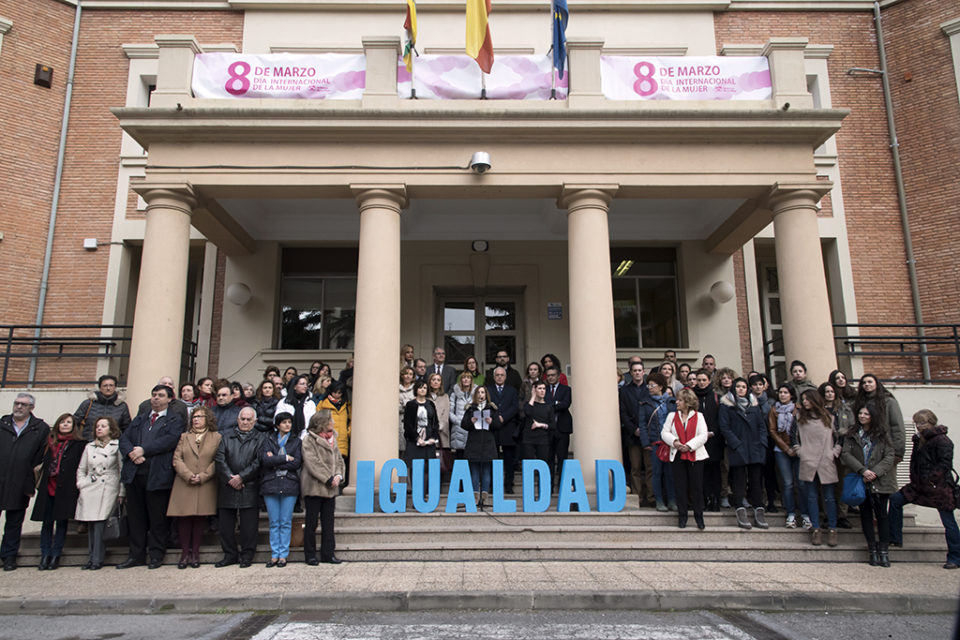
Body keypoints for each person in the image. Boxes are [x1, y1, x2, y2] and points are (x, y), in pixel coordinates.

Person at [117, 385, 185, 569]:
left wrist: (144, 450)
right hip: (135, 474)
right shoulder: (141, 418)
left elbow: (170, 440)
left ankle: (156, 554)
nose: (156, 398)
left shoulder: (174, 420)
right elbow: (124, 439)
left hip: (157, 475)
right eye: (154, 395)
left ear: (170, 399)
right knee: (136, 518)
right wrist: (131, 452)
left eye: (160, 395)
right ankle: (136, 555)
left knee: (157, 519)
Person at [889, 410, 960, 570]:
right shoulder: (920, 440)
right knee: (895, 500)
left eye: (922, 423)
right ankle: (895, 538)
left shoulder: (942, 440)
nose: (919, 426)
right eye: (917, 423)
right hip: (918, 486)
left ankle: (955, 556)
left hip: (939, 488)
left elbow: (944, 464)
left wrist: (931, 479)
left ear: (931, 422)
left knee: (948, 521)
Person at [0, 394, 50, 572]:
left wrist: (31, 483)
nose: (19, 407)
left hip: (21, 481)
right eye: (17, 403)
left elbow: (39, 458)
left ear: (31, 408)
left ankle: (8, 556)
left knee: (14, 522)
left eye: (23, 404)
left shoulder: (40, 428)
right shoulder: (2, 424)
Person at [842, 404, 896, 567]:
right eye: (860, 413)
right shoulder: (852, 434)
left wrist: (875, 472)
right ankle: (872, 550)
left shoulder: (883, 434)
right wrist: (863, 471)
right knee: (865, 515)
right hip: (861, 479)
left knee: (882, 516)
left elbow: (889, 455)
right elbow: (845, 454)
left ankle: (884, 551)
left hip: (880, 481)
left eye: (866, 413)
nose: (862, 416)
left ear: (873, 416)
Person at [167, 406, 221, 569]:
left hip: (205, 482)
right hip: (185, 482)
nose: (196, 419)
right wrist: (188, 474)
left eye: (199, 416)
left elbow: (218, 459)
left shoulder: (216, 437)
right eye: (194, 417)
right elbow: (177, 458)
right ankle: (185, 553)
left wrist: (203, 476)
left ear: (207, 418)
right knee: (184, 518)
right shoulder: (185, 436)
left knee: (199, 518)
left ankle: (195, 552)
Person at [31, 413, 85, 570]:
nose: (65, 424)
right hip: (47, 487)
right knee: (47, 523)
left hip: (66, 489)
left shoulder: (78, 444)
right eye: (63, 422)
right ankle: (45, 554)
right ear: (58, 424)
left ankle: (56, 554)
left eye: (69, 422)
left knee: (62, 523)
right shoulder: (49, 442)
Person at [214, 406, 263, 568]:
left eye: (249, 419)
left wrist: (242, 477)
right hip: (228, 486)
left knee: (249, 526)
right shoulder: (226, 437)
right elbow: (220, 459)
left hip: (249, 486)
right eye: (243, 419)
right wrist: (231, 478)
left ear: (255, 421)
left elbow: (259, 462)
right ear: (237, 420)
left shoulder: (261, 438)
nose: (245, 422)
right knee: (226, 526)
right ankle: (229, 555)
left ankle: (247, 555)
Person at [718, 377, 769, 530]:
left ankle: (758, 509)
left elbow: (761, 426)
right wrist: (736, 444)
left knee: (755, 480)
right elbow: (724, 427)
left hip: (755, 447)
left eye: (743, 387)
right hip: (738, 447)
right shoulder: (726, 405)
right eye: (738, 386)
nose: (741, 389)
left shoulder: (754, 405)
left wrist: (762, 443)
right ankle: (740, 508)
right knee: (739, 480)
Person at [793, 390, 842, 547]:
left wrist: (834, 452)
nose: (805, 402)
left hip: (826, 460)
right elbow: (793, 436)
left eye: (807, 399)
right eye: (803, 399)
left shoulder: (829, 417)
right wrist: (800, 451)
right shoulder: (799, 418)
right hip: (808, 459)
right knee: (812, 497)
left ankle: (833, 529)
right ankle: (816, 528)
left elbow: (839, 437)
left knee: (829, 497)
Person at [75, 416, 124, 570]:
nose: (100, 429)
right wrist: (81, 484)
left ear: (111, 428)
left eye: (103, 426)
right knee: (91, 522)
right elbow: (81, 469)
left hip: (108, 486)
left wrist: (122, 491)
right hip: (90, 487)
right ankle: (91, 557)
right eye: (98, 426)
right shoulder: (89, 447)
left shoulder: (117, 446)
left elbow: (121, 469)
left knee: (100, 522)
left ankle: (97, 558)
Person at [301, 410, 346, 565]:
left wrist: (339, 476)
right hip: (315, 487)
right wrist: (328, 478)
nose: (332, 422)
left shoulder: (333, 438)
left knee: (329, 523)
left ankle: (328, 553)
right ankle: (310, 555)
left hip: (330, 489)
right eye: (330, 420)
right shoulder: (309, 440)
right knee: (311, 522)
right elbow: (312, 462)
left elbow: (339, 460)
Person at [661, 388, 709, 530]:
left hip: (695, 456)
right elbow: (664, 432)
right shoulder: (671, 416)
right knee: (680, 487)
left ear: (688, 402)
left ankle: (699, 517)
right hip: (677, 455)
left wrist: (689, 446)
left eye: (680, 400)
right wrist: (675, 442)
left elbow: (703, 435)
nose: (677, 402)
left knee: (696, 487)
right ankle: (682, 516)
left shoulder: (699, 416)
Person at [261, 412, 302, 567]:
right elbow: (265, 460)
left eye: (289, 422)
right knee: (274, 521)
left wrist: (275, 460)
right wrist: (285, 458)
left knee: (285, 521)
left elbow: (296, 462)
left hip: (289, 484)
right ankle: (274, 553)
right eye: (284, 422)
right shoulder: (268, 440)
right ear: (277, 425)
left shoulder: (296, 441)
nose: (287, 425)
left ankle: (283, 554)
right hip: (271, 483)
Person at [767, 384, 808, 529]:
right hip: (781, 449)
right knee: (788, 483)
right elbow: (772, 431)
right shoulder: (774, 410)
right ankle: (790, 513)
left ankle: (804, 514)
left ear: (791, 394)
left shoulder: (799, 409)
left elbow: (804, 428)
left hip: (799, 449)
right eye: (780, 392)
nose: (782, 395)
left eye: (785, 392)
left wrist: (797, 447)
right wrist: (786, 448)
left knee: (801, 483)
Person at [820, 381, 855, 529]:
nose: (829, 394)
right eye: (826, 391)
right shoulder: (818, 410)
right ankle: (829, 514)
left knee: (842, 484)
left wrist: (841, 435)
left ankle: (842, 515)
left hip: (842, 450)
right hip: (823, 451)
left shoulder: (844, 409)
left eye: (831, 391)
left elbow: (852, 427)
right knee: (826, 485)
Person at [620, 360, 654, 507]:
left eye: (639, 370)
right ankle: (638, 497)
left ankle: (651, 497)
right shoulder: (624, 391)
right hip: (632, 435)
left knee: (650, 467)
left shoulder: (650, 390)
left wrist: (646, 429)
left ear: (643, 372)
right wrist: (634, 429)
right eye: (634, 371)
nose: (637, 373)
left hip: (649, 435)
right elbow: (623, 413)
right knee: (635, 468)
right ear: (631, 372)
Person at [462, 386, 501, 507]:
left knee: (486, 471)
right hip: (474, 442)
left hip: (488, 442)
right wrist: (471, 421)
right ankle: (474, 497)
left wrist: (492, 422)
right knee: (474, 471)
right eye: (478, 392)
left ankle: (484, 498)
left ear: (486, 394)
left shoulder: (492, 408)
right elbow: (463, 424)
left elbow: (498, 425)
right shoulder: (470, 408)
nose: (480, 395)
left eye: (483, 392)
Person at [854, 373, 905, 465]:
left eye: (870, 382)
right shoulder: (858, 402)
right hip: (864, 448)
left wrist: (898, 452)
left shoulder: (888, 401)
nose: (867, 384)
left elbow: (897, 427)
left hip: (885, 447)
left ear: (876, 383)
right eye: (864, 382)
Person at [646, 372, 677, 512]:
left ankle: (672, 500)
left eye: (652, 385)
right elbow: (642, 423)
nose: (649, 387)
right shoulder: (645, 402)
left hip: (670, 442)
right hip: (655, 442)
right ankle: (659, 500)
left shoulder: (672, 402)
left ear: (660, 386)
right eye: (648, 385)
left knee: (670, 473)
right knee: (656, 472)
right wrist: (646, 442)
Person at [692, 370, 722, 512]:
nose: (701, 382)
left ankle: (715, 499)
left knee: (714, 471)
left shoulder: (716, 397)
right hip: (697, 440)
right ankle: (703, 499)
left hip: (713, 440)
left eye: (704, 380)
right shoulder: (692, 397)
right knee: (700, 472)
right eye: (699, 380)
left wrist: (712, 432)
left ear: (709, 381)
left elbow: (719, 417)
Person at [487, 367, 520, 493]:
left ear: (505, 377)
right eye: (497, 375)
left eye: (502, 375)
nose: (500, 377)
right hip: (493, 428)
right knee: (493, 458)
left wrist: (503, 417)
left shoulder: (512, 390)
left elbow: (514, 407)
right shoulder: (488, 390)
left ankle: (509, 485)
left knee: (509, 459)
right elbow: (486, 406)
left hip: (508, 427)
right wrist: (496, 419)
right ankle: (493, 485)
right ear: (494, 377)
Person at [403, 380, 440, 486]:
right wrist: (417, 438)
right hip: (415, 442)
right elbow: (408, 425)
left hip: (429, 441)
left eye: (424, 388)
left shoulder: (431, 404)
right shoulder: (410, 405)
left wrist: (433, 437)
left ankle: (425, 496)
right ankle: (417, 496)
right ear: (416, 390)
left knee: (428, 468)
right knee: (415, 468)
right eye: (420, 388)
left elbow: (435, 422)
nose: (423, 390)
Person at [73, 374, 131, 440]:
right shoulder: (88, 404)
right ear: (100, 388)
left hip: (113, 446)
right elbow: (75, 423)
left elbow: (127, 428)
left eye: (111, 385)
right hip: (88, 443)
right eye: (105, 385)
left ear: (115, 388)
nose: (108, 388)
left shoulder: (122, 406)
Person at [521, 380, 555, 493]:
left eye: (544, 389)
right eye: (539, 388)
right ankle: (530, 494)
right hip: (528, 439)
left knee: (543, 467)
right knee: (529, 467)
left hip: (543, 439)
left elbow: (552, 425)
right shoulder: (529, 404)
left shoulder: (548, 406)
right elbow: (528, 412)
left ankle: (543, 493)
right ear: (534, 389)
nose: (542, 391)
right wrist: (532, 396)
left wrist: (540, 425)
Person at [316, 383, 350, 483]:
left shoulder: (347, 405)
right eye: (335, 392)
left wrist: (348, 431)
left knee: (340, 464)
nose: (337, 395)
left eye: (340, 393)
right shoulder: (323, 404)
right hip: (327, 438)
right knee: (327, 463)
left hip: (342, 438)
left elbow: (352, 420)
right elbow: (317, 420)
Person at [545, 367, 572, 490]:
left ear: (558, 376)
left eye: (553, 375)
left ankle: (562, 485)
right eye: (548, 375)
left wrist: (551, 405)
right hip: (547, 429)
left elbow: (565, 404)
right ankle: (549, 486)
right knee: (548, 458)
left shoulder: (566, 389)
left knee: (562, 458)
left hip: (562, 428)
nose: (551, 377)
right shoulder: (543, 389)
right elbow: (542, 405)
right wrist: (556, 403)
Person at [275, 374, 316, 439]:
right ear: (294, 386)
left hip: (306, 437)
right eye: (302, 384)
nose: (305, 386)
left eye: (306, 384)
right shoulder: (284, 402)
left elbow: (313, 422)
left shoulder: (310, 403)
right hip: (287, 437)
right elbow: (277, 420)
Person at [449, 370, 476, 459]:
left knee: (471, 454)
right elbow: (450, 411)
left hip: (472, 428)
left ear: (471, 380)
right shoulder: (454, 394)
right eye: (464, 378)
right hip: (458, 427)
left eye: (468, 378)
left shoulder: (476, 394)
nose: (466, 380)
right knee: (459, 455)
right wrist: (458, 421)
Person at [427, 373, 451, 471]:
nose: (436, 382)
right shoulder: (425, 396)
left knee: (439, 464)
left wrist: (437, 427)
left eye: (438, 380)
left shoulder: (445, 397)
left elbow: (446, 415)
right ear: (430, 382)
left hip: (441, 433)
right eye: (433, 380)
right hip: (427, 433)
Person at [398, 367, 416, 455]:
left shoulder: (416, 389)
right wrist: (408, 403)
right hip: (398, 421)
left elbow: (417, 405)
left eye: (410, 374)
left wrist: (403, 403)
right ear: (402, 375)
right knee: (399, 450)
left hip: (412, 422)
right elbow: (394, 406)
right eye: (406, 374)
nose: (408, 376)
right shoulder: (395, 388)